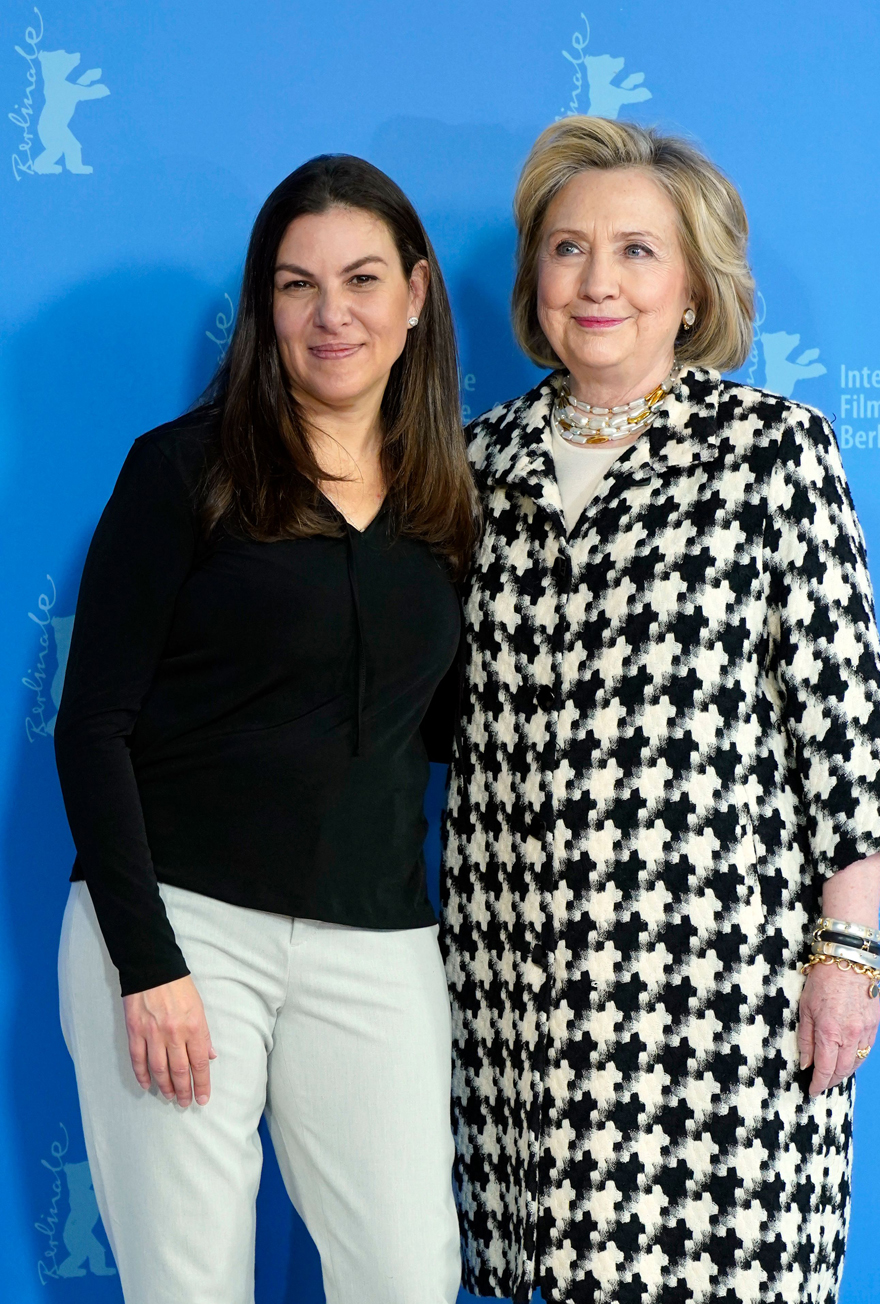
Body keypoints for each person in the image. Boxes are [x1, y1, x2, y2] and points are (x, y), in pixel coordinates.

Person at [439, 116, 880, 1304]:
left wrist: (846, 955)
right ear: (531, 280)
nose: (597, 281)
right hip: (519, 989)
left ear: (697, 282)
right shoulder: (464, 469)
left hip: (722, 988)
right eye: (566, 249)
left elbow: (846, 729)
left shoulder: (773, 452)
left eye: (636, 250)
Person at [54, 153, 477, 1304]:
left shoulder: (451, 500)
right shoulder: (182, 470)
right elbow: (91, 727)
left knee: (407, 1274)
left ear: (417, 295)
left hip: (378, 943)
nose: (331, 314)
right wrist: (149, 966)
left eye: (361, 279)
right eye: (296, 285)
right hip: (180, 929)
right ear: (264, 305)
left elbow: (435, 729)